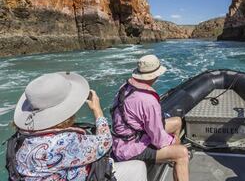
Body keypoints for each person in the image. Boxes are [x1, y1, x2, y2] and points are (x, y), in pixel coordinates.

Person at [9, 72, 146, 180]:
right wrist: (97, 110)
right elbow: (105, 143)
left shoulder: (20, 137)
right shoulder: (65, 140)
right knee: (138, 167)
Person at [111, 54, 189, 181]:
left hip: (122, 140)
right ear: (155, 75)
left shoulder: (124, 88)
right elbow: (158, 139)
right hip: (130, 149)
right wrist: (172, 141)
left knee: (177, 122)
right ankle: (177, 159)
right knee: (182, 153)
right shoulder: (148, 101)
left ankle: (172, 160)